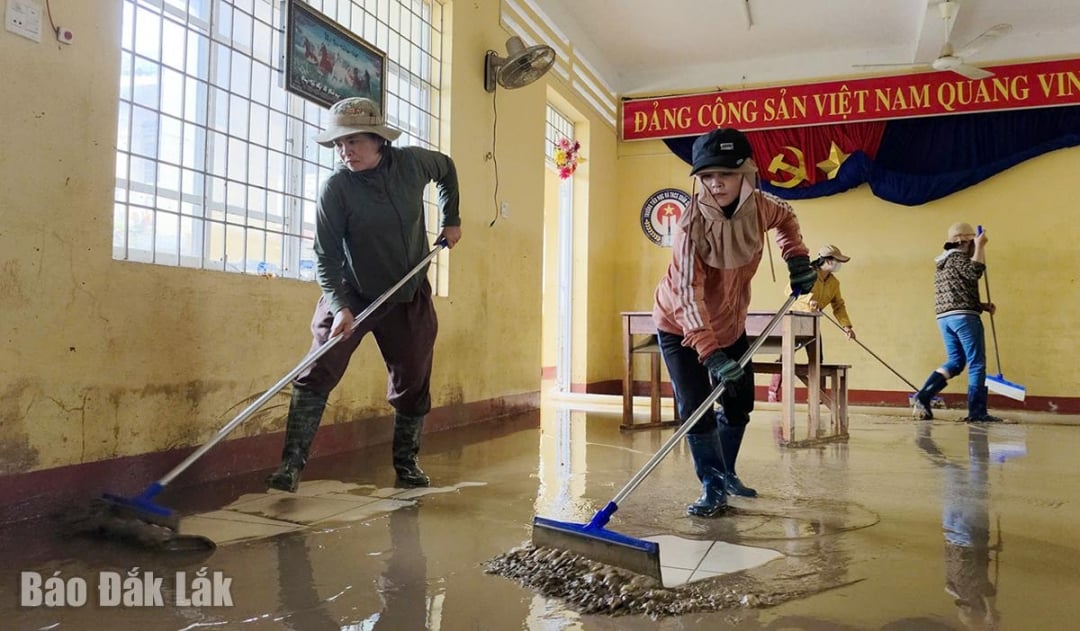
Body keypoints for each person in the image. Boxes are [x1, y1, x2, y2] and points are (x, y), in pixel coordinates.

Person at [266, 97, 462, 493]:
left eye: (353, 141)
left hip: (406, 292)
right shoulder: (336, 188)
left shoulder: (412, 164)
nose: (345, 151)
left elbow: (447, 169)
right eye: (338, 144)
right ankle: (291, 465)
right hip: (351, 293)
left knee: (414, 375)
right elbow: (325, 256)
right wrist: (339, 308)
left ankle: (406, 463)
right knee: (317, 369)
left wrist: (451, 218)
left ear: (378, 140)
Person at [653, 127, 817, 517]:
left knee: (740, 400)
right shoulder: (691, 225)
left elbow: (788, 217)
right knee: (696, 405)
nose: (715, 183)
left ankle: (726, 472)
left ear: (745, 172)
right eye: (706, 176)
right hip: (681, 325)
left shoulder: (761, 206)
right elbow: (687, 294)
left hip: (728, 321)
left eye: (724, 174)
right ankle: (711, 484)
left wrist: (796, 256)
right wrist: (708, 352)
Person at [912, 223, 1001, 423]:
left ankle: (924, 396)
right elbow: (973, 273)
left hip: (945, 318)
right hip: (964, 318)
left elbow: (957, 291)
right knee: (976, 363)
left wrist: (981, 305)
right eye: (972, 242)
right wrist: (981, 246)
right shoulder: (958, 257)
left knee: (956, 361)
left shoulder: (943, 262)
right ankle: (977, 413)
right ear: (965, 241)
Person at [767, 244, 857, 402]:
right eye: (837, 261)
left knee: (817, 358)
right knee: (786, 357)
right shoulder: (807, 273)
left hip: (813, 322)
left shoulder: (834, 283)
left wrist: (846, 326)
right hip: (796, 319)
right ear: (828, 261)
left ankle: (817, 396)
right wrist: (809, 299)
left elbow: (838, 306)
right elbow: (790, 290)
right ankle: (773, 393)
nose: (839, 265)